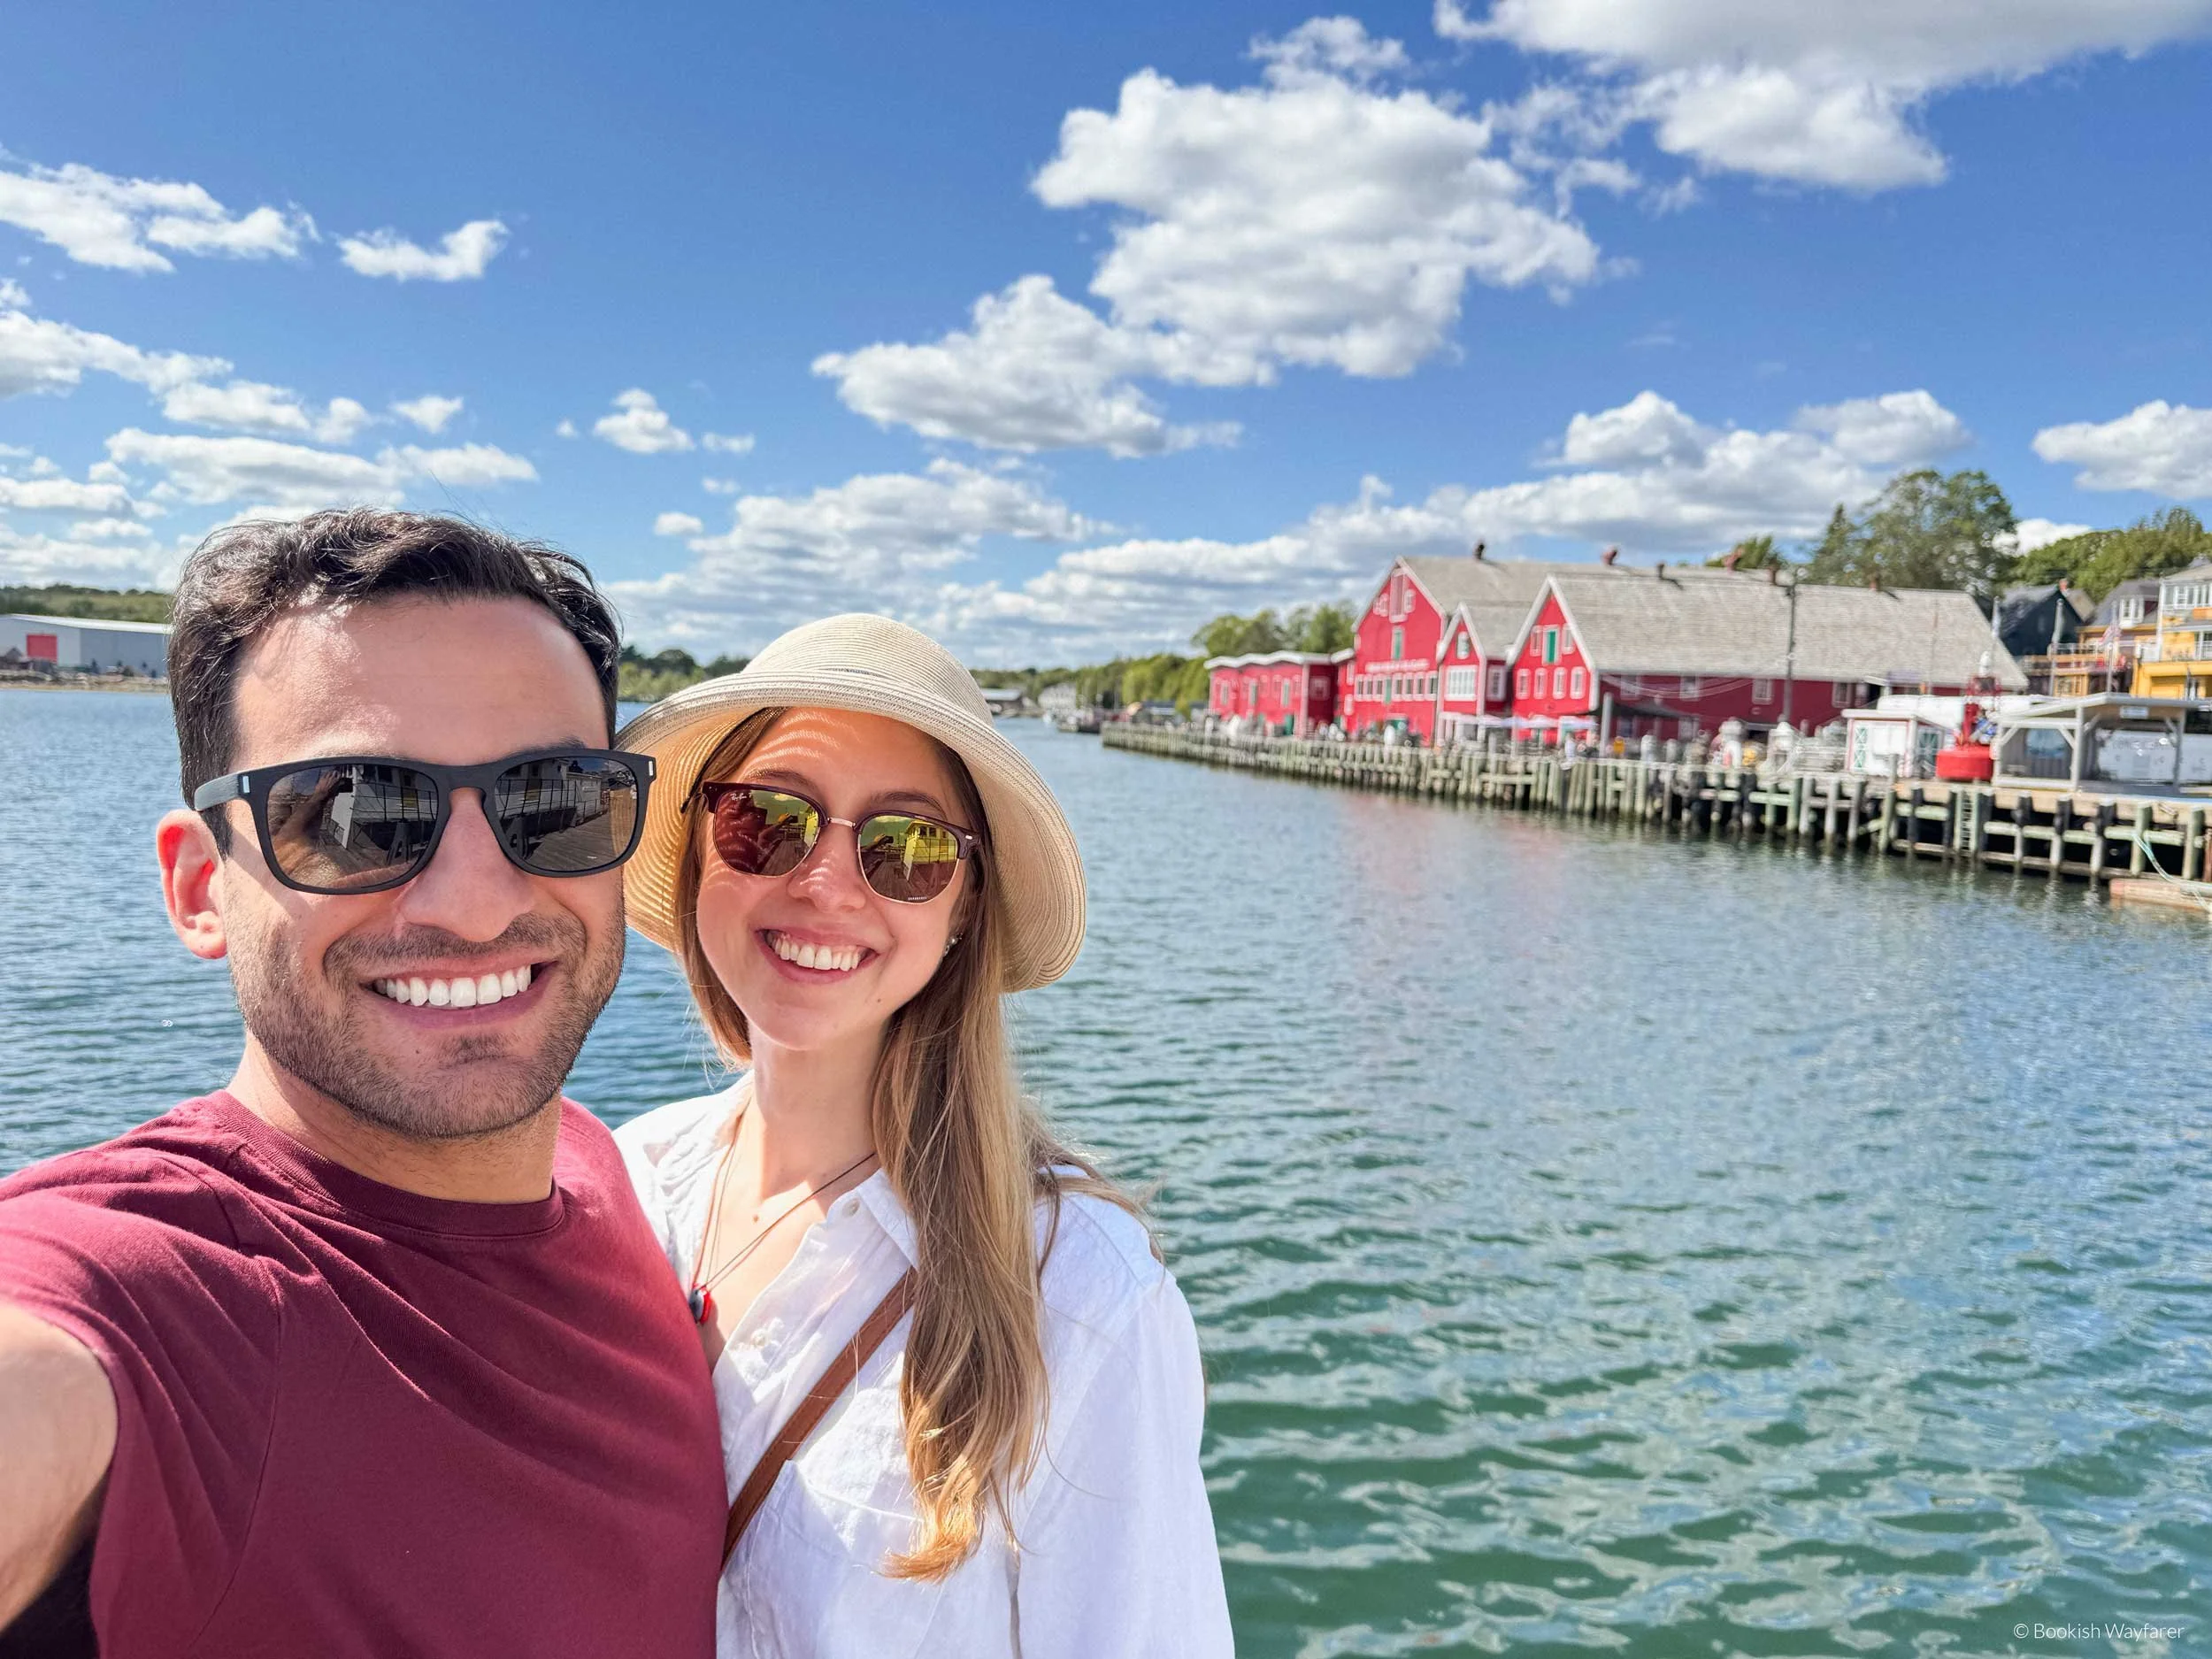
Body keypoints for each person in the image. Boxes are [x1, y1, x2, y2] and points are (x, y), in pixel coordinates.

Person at [0, 511, 726, 1656]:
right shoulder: (147, 1294)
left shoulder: (599, 1163)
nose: (476, 902)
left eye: (554, 797)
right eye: (352, 812)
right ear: (200, 885)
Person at [612, 615, 1234, 1657]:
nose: (824, 882)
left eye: (907, 848)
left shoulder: (1080, 1298)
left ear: (964, 906)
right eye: (767, 819)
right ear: (697, 848)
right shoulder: (627, 1185)